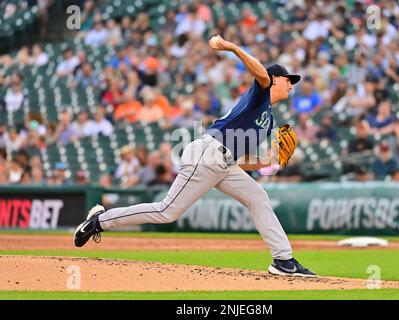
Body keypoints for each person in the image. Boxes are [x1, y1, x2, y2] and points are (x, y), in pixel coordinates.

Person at [74, 35, 316, 277]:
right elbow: (261, 75)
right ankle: (99, 221)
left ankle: (283, 260)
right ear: (275, 79)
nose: (291, 85)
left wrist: (270, 160)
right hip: (207, 154)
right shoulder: (261, 93)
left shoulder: (268, 120)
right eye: (288, 80)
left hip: (224, 162)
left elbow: (241, 159)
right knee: (166, 211)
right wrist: (231, 47)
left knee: (258, 197)